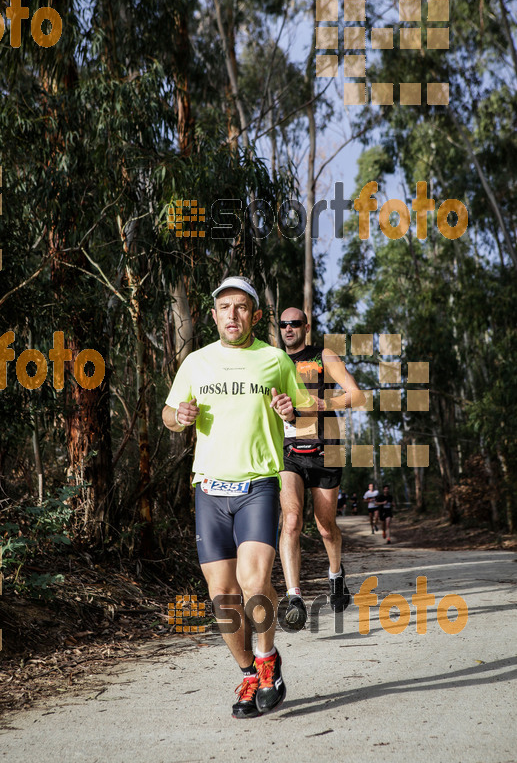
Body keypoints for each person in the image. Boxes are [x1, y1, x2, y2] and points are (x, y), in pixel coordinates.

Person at [162, 277, 312, 720]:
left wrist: (291, 411)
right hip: (209, 489)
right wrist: (178, 417)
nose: (232, 315)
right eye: (224, 307)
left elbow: (301, 415)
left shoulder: (274, 360)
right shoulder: (196, 362)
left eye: (241, 307)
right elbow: (170, 414)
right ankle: (249, 671)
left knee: (253, 583)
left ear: (254, 315)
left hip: (258, 486)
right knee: (223, 597)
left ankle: (268, 665)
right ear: (213, 315)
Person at [278, 307, 365, 630]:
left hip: (324, 448)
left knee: (326, 526)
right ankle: (294, 596)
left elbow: (357, 395)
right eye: (283, 324)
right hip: (287, 451)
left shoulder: (323, 355)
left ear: (306, 327)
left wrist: (325, 405)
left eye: (294, 323)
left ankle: (336, 575)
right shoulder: (273, 360)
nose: (288, 328)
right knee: (291, 520)